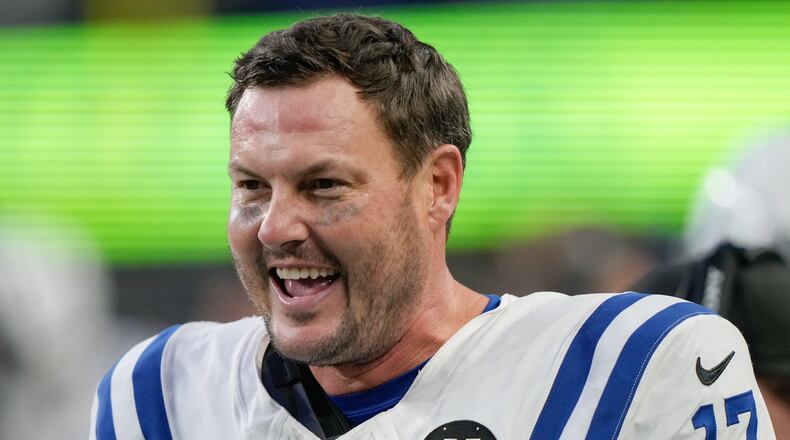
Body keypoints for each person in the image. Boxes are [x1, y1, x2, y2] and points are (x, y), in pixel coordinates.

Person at [89, 14, 775, 439]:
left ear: (438, 186)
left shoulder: (634, 367)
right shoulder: (160, 397)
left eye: (323, 185)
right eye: (251, 187)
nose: (275, 227)